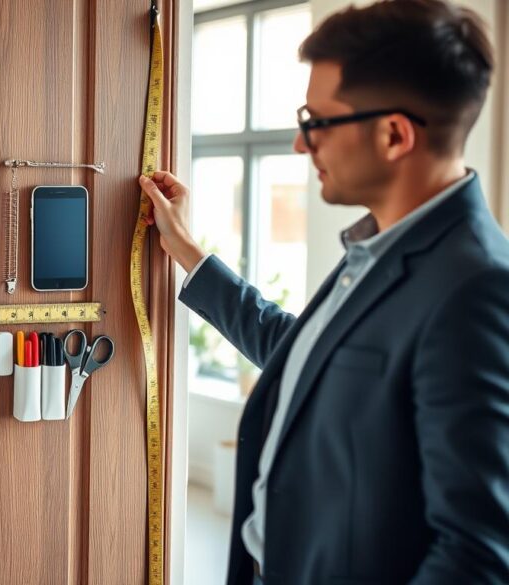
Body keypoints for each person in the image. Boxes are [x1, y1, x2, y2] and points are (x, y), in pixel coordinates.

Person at [140, 1, 509, 583]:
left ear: (393, 135)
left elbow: (476, 555)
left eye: (316, 121)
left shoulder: (477, 290)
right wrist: (187, 250)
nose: (299, 143)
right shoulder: (381, 246)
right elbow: (300, 355)